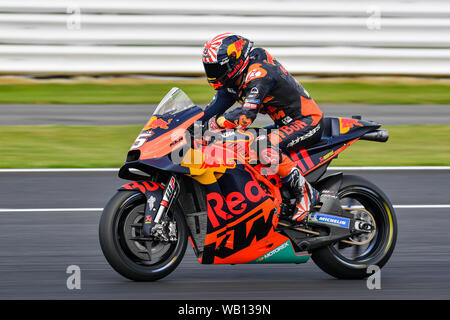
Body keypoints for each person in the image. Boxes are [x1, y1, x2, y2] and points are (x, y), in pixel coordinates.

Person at [200, 33, 324, 223]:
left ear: (234, 61)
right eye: (210, 68)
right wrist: (189, 127)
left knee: (261, 144)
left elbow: (245, 117)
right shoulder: (233, 79)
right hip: (284, 124)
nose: (214, 73)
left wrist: (216, 124)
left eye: (218, 68)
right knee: (236, 142)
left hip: (307, 122)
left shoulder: (259, 73)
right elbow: (209, 113)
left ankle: (305, 192)